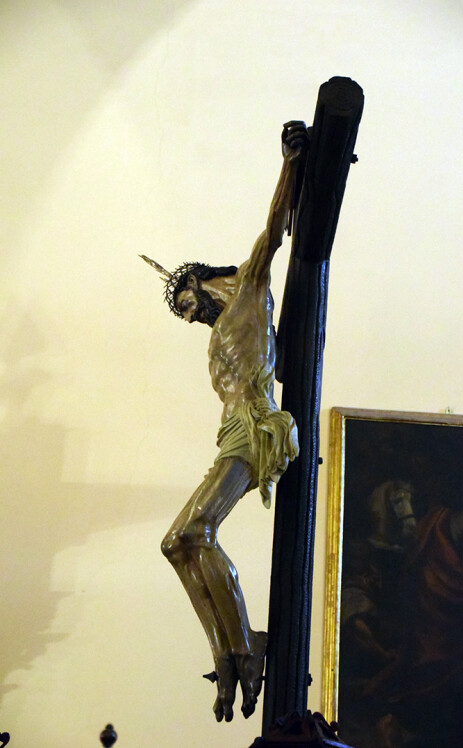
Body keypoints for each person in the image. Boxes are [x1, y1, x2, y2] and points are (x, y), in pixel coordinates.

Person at [140, 122, 308, 722]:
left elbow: (274, 230)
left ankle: (248, 644)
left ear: (197, 280)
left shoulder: (249, 289)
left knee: (198, 530)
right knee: (175, 543)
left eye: (187, 305)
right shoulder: (218, 331)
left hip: (255, 425)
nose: (190, 318)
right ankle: (229, 651)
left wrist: (290, 163)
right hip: (232, 432)